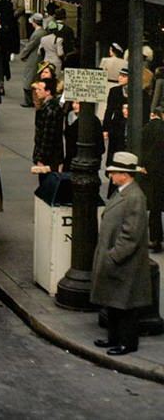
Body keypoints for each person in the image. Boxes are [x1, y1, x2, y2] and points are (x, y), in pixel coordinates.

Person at [91, 152, 153, 356]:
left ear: (125, 175)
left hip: (126, 263)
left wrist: (113, 256)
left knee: (126, 306)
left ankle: (127, 342)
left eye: (114, 172)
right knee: (115, 303)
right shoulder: (122, 192)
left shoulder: (135, 197)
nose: (111, 176)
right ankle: (114, 338)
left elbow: (131, 234)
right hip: (118, 260)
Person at [141, 108, 164, 252]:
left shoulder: (148, 128)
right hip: (160, 169)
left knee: (154, 206)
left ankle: (155, 238)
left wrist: (144, 165)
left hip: (152, 171)